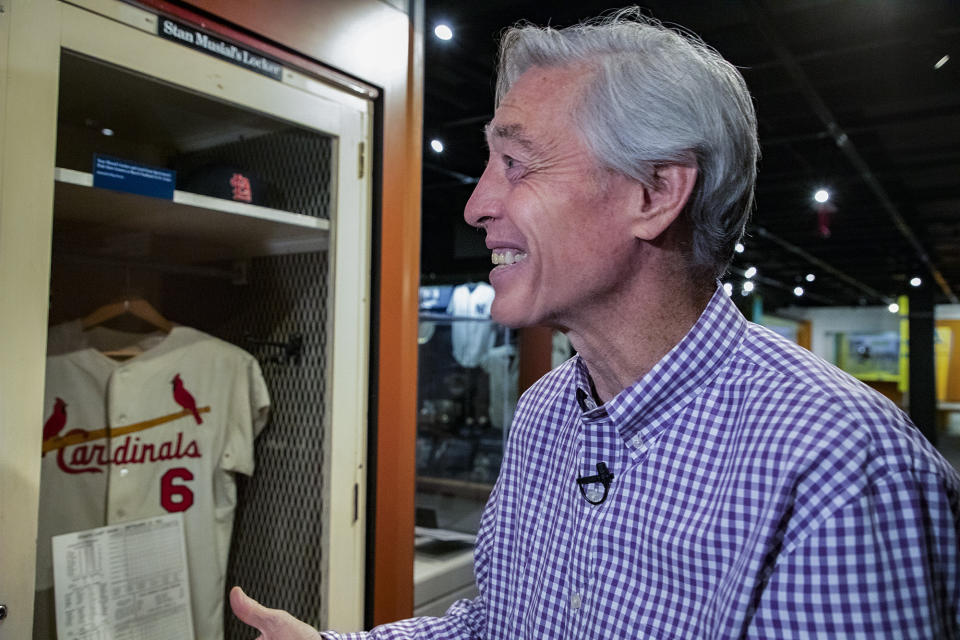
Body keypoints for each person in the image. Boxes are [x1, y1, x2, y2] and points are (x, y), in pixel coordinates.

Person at [231, 8, 960, 638]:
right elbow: (494, 625)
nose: (477, 205)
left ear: (654, 192)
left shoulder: (841, 463)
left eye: (516, 163)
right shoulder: (547, 413)